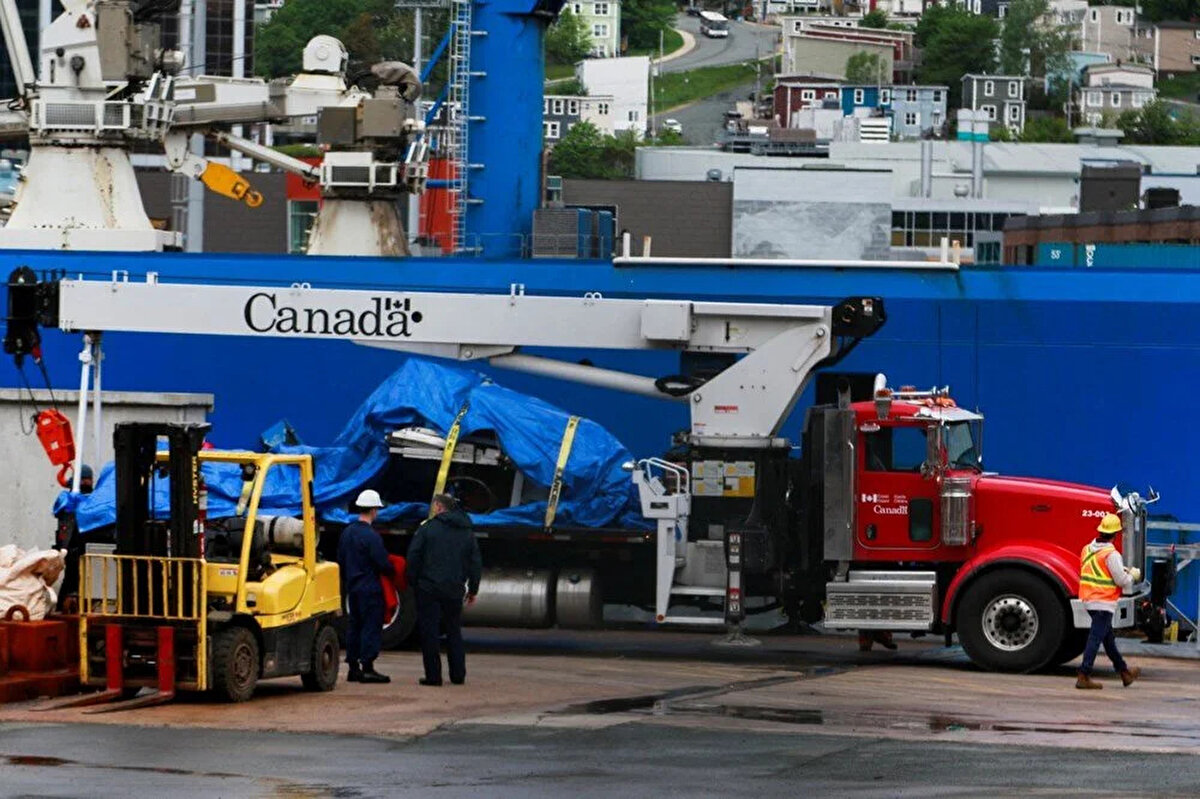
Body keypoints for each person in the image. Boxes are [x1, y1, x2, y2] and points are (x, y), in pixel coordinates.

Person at [406, 493, 482, 686]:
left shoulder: (427, 529)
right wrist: (473, 589)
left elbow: (414, 556)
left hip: (428, 588)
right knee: (453, 630)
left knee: (430, 631)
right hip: (454, 588)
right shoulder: (466, 531)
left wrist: (414, 582)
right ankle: (458, 675)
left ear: (439, 507)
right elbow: (475, 562)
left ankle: (433, 676)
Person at [1076, 513, 1142, 690]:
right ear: (1116, 534)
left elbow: (1098, 570)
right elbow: (1122, 581)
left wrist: (1121, 570)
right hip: (1103, 602)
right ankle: (1084, 674)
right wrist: (1132, 575)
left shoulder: (1087, 549)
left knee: (1108, 640)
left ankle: (1124, 672)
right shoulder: (1111, 554)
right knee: (1095, 638)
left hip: (1089, 599)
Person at [337, 489, 395, 684]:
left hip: (353, 587)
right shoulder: (372, 536)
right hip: (370, 587)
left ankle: (353, 668)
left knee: (355, 625)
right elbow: (383, 563)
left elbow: (341, 560)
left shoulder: (347, 532)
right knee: (371, 626)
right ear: (373, 510)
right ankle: (367, 667)